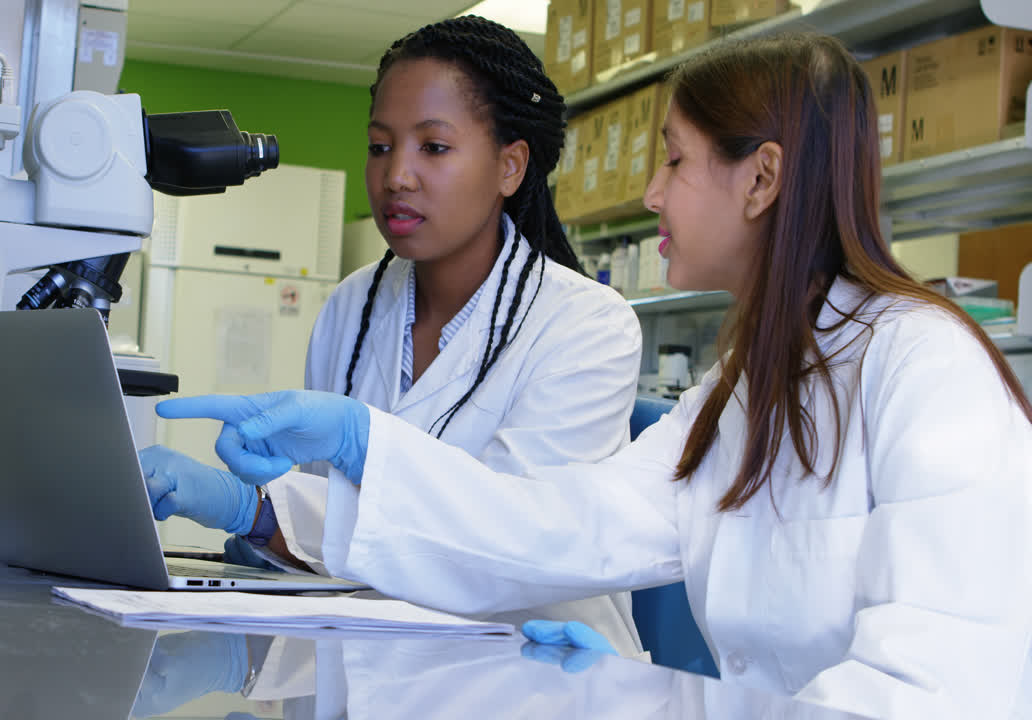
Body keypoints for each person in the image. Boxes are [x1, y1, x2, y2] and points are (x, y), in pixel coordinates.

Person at [155, 32, 1032, 719]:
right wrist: (352, 454)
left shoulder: (924, 365)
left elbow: (939, 691)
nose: (651, 192)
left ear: (762, 178)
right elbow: (566, 525)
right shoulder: (743, 392)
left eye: (676, 160)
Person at [139, 16, 645, 656]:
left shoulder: (584, 324)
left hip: (534, 671)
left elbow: (513, 549)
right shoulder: (351, 306)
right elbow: (337, 541)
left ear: (511, 165)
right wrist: (251, 522)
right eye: (380, 147)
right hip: (375, 660)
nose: (397, 175)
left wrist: (266, 508)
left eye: (433, 147)